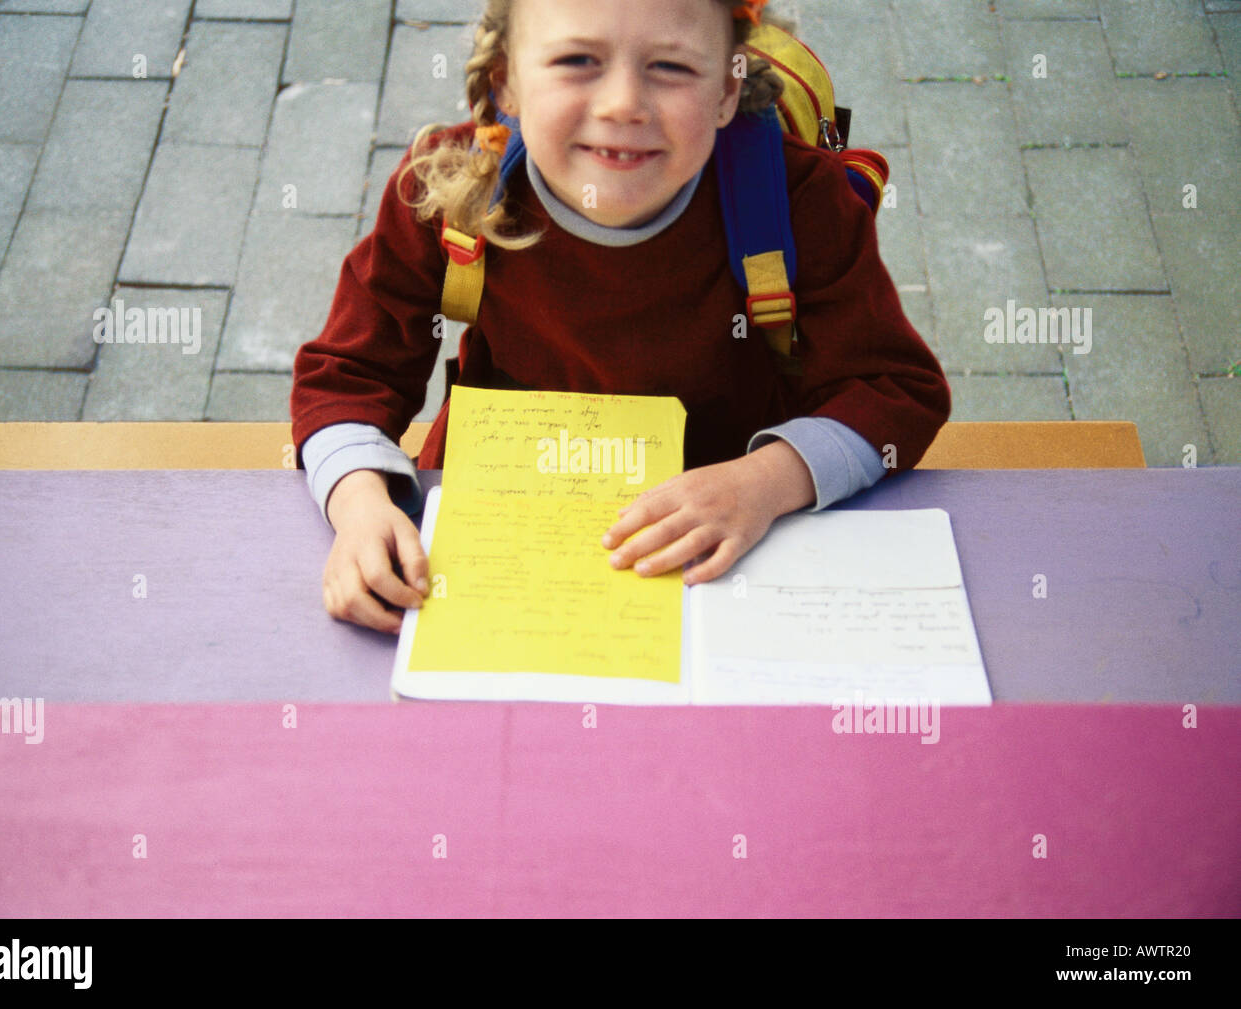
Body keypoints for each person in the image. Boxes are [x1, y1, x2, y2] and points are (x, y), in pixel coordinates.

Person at [291, 0, 951, 633]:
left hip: (722, 545)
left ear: (727, 88)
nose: (623, 105)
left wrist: (768, 482)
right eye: (578, 59)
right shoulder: (448, 186)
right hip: (500, 530)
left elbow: (894, 390)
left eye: (670, 66)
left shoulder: (796, 200)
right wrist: (358, 503)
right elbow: (347, 371)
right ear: (507, 81)